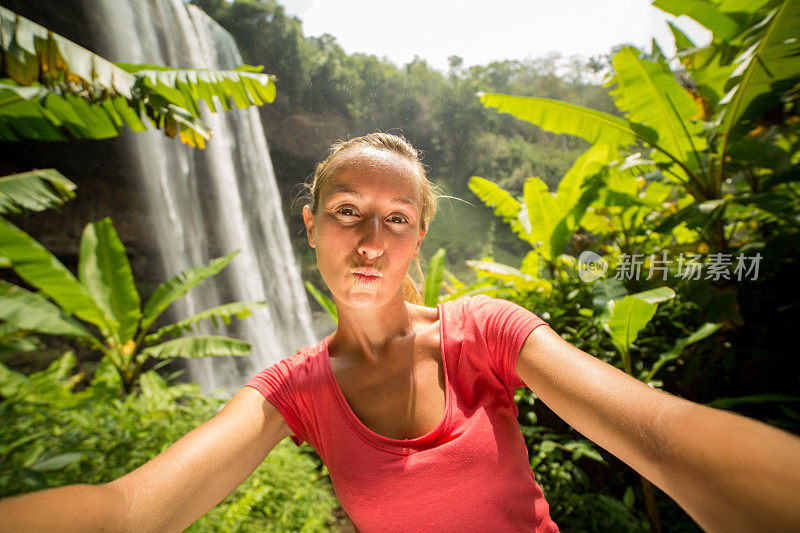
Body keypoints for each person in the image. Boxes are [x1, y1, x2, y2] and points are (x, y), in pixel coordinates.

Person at [1, 132, 800, 532]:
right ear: (312, 226)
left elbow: (662, 435)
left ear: (419, 237)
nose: (371, 242)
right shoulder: (295, 391)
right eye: (347, 214)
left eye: (397, 220)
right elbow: (127, 510)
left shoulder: (482, 332)